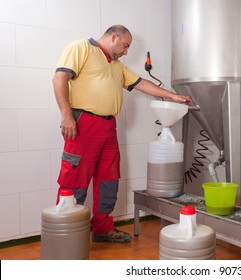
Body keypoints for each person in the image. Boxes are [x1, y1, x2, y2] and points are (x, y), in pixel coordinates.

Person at [53, 24, 191, 243]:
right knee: (75, 178)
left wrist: (173, 96)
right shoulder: (81, 48)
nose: (126, 52)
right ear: (114, 37)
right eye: (126, 46)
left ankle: (102, 229)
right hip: (84, 124)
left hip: (108, 127)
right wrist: (66, 115)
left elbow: (141, 83)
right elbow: (59, 78)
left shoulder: (116, 66)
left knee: (109, 178)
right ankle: (67, 235)